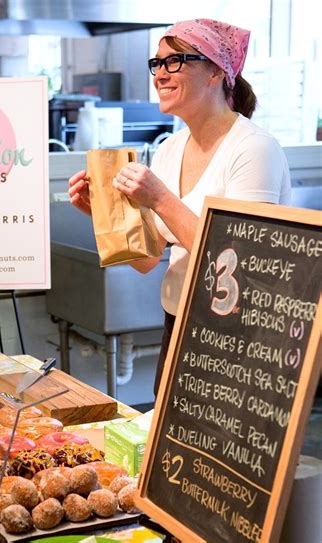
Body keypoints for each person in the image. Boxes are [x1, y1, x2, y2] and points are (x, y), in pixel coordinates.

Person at [68, 18, 291, 396]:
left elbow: (240, 264)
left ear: (217, 71)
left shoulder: (253, 149)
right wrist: (101, 211)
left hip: (238, 335)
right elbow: (146, 259)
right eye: (157, 63)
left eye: (176, 61)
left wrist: (159, 198)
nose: (160, 74)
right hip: (178, 324)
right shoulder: (171, 147)